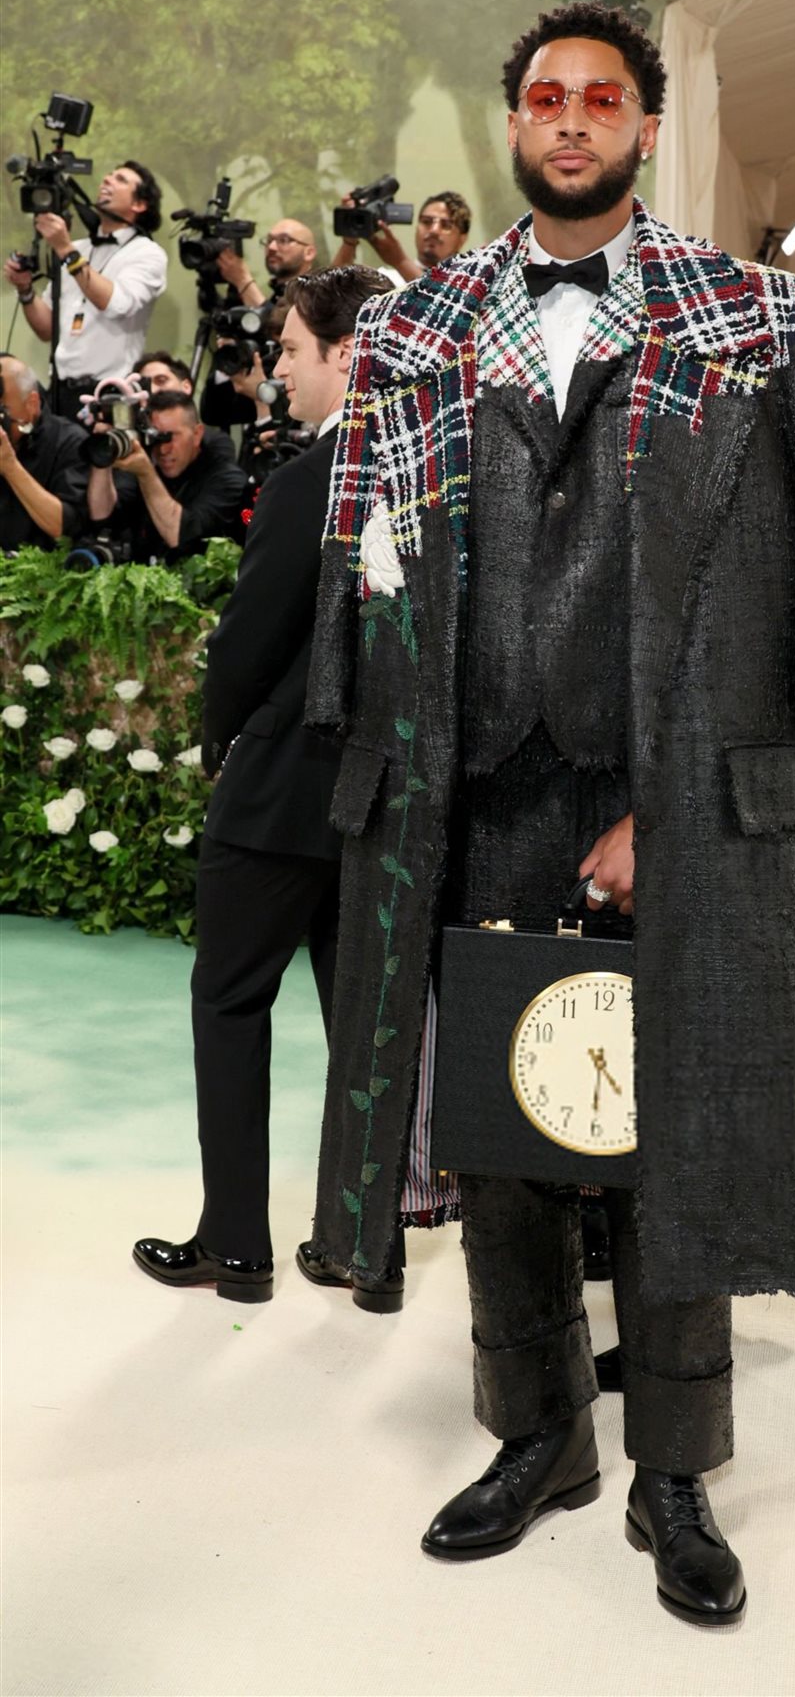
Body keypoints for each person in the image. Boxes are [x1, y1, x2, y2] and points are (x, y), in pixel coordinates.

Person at [304, 0, 795, 1626]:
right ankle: (537, 1430)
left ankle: (674, 1468)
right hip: (477, 787)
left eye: (600, 101)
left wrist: (692, 807)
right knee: (499, 1138)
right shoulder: (413, 328)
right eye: (544, 98)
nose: (569, 121)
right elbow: (361, 556)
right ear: (514, 124)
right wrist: (373, 754)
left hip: (661, 787)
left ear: (644, 127)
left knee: (665, 1128)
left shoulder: (754, 316)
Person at [132, 264, 397, 1306]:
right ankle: (365, 1250)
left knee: (230, 1000)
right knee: (363, 1021)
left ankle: (237, 1245)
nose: (278, 371)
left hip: (284, 781)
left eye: (290, 350)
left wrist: (220, 737)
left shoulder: (309, 478)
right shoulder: (432, 470)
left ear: (346, 352)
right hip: (382, 791)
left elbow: (250, 640)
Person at [2, 161, 167, 415]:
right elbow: (47, 329)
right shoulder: (78, 248)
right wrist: (25, 290)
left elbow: (116, 304)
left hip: (109, 395)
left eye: (121, 179)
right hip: (59, 391)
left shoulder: (147, 253)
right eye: (108, 175)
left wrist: (66, 251)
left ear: (139, 204)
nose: (107, 180)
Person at [85, 390, 247, 562]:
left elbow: (181, 537)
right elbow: (102, 515)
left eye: (171, 437)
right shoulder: (145, 462)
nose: (163, 449)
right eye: (156, 437)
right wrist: (103, 453)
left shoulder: (226, 479)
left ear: (197, 434)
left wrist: (146, 474)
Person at [0, 357, 88, 551]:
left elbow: (63, 527)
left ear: (31, 404)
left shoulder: (69, 441)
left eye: (2, 411)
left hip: (44, 565)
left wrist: (10, 467)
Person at [332, 189, 470, 283]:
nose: (434, 230)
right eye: (426, 221)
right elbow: (330, 296)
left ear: (462, 239)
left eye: (446, 225)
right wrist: (349, 241)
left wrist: (400, 261)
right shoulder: (387, 280)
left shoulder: (471, 284)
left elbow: (445, 303)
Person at [131, 352, 237, 464]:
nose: (153, 390)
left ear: (186, 387)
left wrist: (145, 472)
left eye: (161, 380)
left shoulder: (214, 443)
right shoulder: (134, 439)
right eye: (144, 386)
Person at [215, 218, 318, 309]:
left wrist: (243, 280)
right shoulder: (280, 294)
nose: (271, 247)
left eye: (284, 240)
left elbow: (280, 323)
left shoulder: (318, 295)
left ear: (309, 253)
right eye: (269, 240)